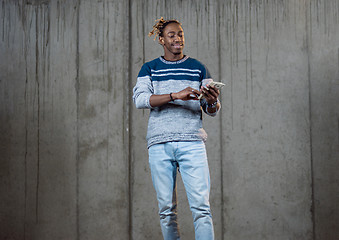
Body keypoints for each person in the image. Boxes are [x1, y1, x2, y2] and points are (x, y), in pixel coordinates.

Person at [132, 17, 221, 240]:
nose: (177, 38)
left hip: (192, 142)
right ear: (161, 39)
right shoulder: (149, 68)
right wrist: (176, 95)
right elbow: (140, 99)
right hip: (159, 144)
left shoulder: (198, 67)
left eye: (180, 34)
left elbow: (211, 110)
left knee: (202, 209)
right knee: (166, 212)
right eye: (171, 35)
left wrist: (211, 101)